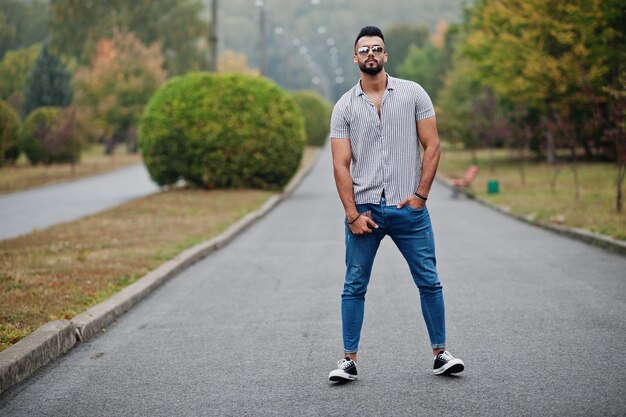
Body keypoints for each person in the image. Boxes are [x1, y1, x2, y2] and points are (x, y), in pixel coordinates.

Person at [328, 26, 464, 382]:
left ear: (385, 55)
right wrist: (352, 214)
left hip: (409, 210)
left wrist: (420, 196)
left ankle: (441, 353)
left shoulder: (413, 94)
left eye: (377, 48)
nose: (370, 54)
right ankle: (348, 360)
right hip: (366, 212)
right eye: (364, 50)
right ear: (355, 58)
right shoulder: (344, 106)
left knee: (429, 281)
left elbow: (432, 146)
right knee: (354, 285)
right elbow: (340, 164)